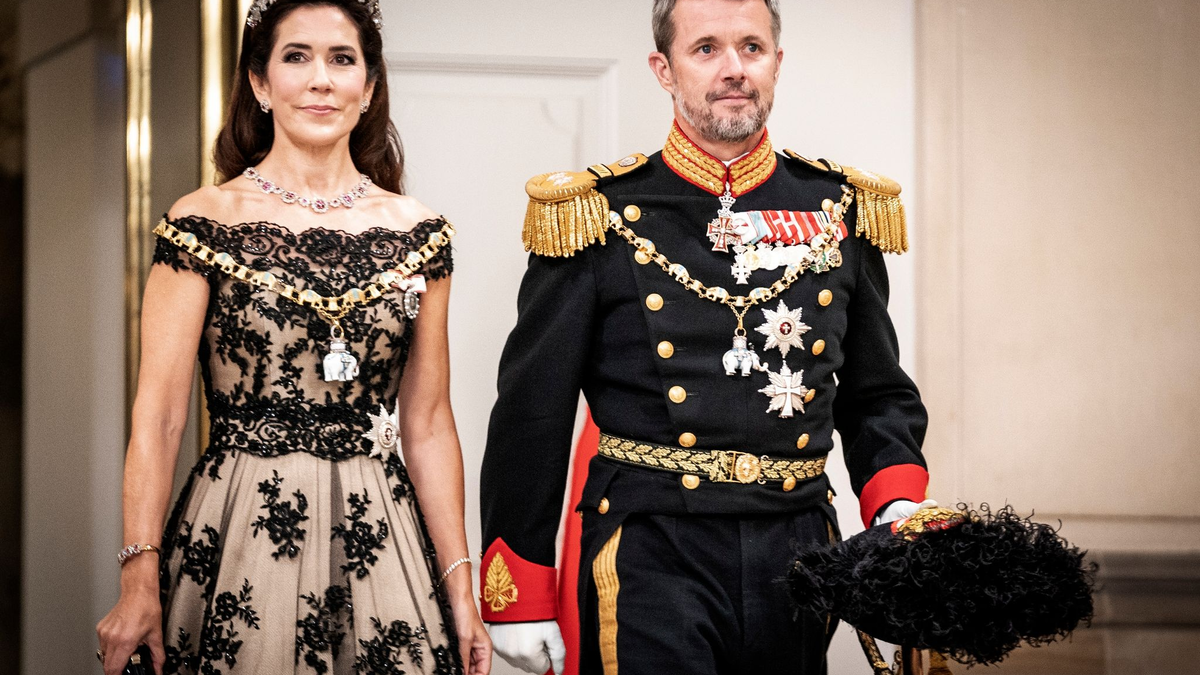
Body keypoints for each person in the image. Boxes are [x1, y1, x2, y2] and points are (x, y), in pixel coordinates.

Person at [479, 0, 930, 673]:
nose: (733, 69)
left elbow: (877, 394)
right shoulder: (597, 214)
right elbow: (532, 414)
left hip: (800, 546)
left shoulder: (838, 208)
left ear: (778, 61)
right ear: (663, 68)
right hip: (651, 546)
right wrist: (520, 590)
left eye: (751, 47)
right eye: (706, 49)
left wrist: (896, 519)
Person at [94, 1, 491, 673]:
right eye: (296, 56)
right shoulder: (201, 223)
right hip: (240, 525)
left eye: (342, 60)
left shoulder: (420, 234)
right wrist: (138, 576)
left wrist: (461, 585)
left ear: (367, 88)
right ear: (259, 83)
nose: (321, 80)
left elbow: (426, 424)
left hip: (381, 536)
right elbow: (159, 416)